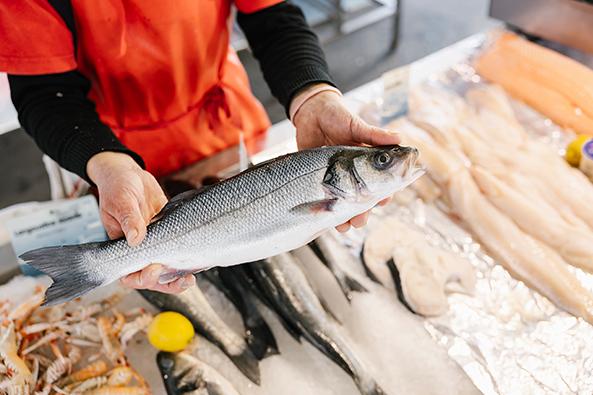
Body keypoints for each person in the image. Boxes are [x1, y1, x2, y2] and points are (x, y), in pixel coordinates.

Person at [1, 1, 399, 294]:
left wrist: (314, 97)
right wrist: (106, 163)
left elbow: (274, 18)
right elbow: (44, 93)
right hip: (102, 145)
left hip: (217, 121)